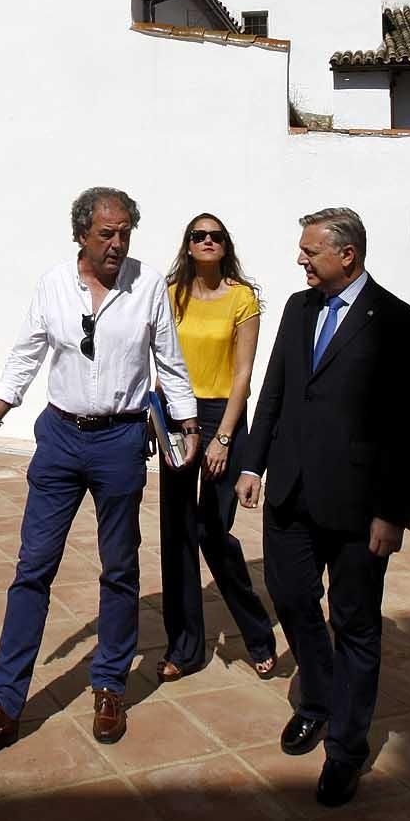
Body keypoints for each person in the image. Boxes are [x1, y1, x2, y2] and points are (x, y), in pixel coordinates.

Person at [0, 186, 200, 758]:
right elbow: (25, 355)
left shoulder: (148, 288)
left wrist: (189, 430)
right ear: (81, 235)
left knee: (119, 568)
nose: (117, 244)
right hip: (61, 438)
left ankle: (110, 684)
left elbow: (170, 362)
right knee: (33, 568)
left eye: (124, 234)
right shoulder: (53, 285)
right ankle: (5, 703)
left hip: (120, 440)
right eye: (106, 234)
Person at [235, 207, 410, 809]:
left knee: (355, 624)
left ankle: (346, 746)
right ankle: (319, 698)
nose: (300, 258)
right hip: (291, 491)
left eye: (310, 250)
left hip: (358, 505)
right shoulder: (297, 310)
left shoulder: (397, 321)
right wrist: (252, 462)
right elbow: (275, 390)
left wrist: (392, 512)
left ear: (346, 255)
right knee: (290, 597)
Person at [156, 213, 276, 683]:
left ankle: (256, 631)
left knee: (212, 530)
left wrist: (224, 436)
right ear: (188, 245)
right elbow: (159, 357)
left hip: (223, 416)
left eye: (215, 236)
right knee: (178, 534)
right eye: (198, 236)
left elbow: (243, 374)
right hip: (175, 414)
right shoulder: (170, 294)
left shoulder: (242, 299)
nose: (207, 242)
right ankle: (184, 647)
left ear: (225, 246)